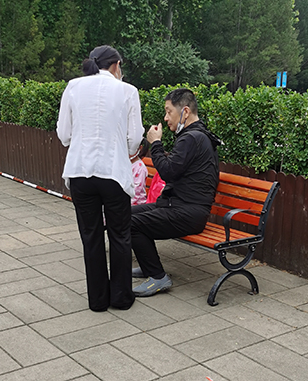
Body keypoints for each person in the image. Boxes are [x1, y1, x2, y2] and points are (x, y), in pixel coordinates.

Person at [56, 45, 144, 312]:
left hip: (80, 171)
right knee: (120, 236)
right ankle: (121, 297)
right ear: (116, 65)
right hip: (114, 173)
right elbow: (135, 139)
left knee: (91, 237)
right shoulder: (128, 91)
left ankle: (97, 301)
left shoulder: (73, 87)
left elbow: (64, 135)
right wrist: (121, 149)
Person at [131, 88, 222, 297]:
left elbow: (168, 172)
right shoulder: (197, 136)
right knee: (124, 215)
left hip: (188, 213)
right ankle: (148, 266)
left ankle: (158, 277)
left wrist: (155, 144)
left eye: (168, 111)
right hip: (178, 206)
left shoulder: (192, 138)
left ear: (185, 112)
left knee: (130, 223)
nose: (166, 118)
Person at [130, 138, 149, 206]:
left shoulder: (140, 168)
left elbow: (136, 191)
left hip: (136, 203)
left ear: (139, 148)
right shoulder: (125, 163)